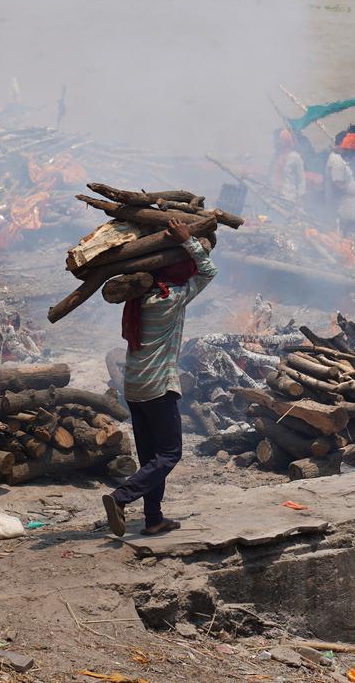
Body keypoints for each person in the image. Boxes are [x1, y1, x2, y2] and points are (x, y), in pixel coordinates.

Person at [102, 218, 216, 538]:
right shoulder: (171, 297)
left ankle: (153, 519)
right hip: (158, 387)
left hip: (135, 388)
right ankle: (120, 497)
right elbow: (208, 270)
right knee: (170, 454)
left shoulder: (136, 300)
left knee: (150, 458)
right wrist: (187, 240)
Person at [325, 131, 355, 230]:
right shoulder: (337, 161)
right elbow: (338, 185)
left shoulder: (338, 158)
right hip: (341, 212)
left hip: (345, 212)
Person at [272, 128, 306, 202]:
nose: (279, 142)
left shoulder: (295, 157)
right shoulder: (279, 156)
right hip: (277, 195)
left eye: (282, 139)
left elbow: (301, 179)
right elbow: (275, 175)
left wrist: (300, 197)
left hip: (290, 197)